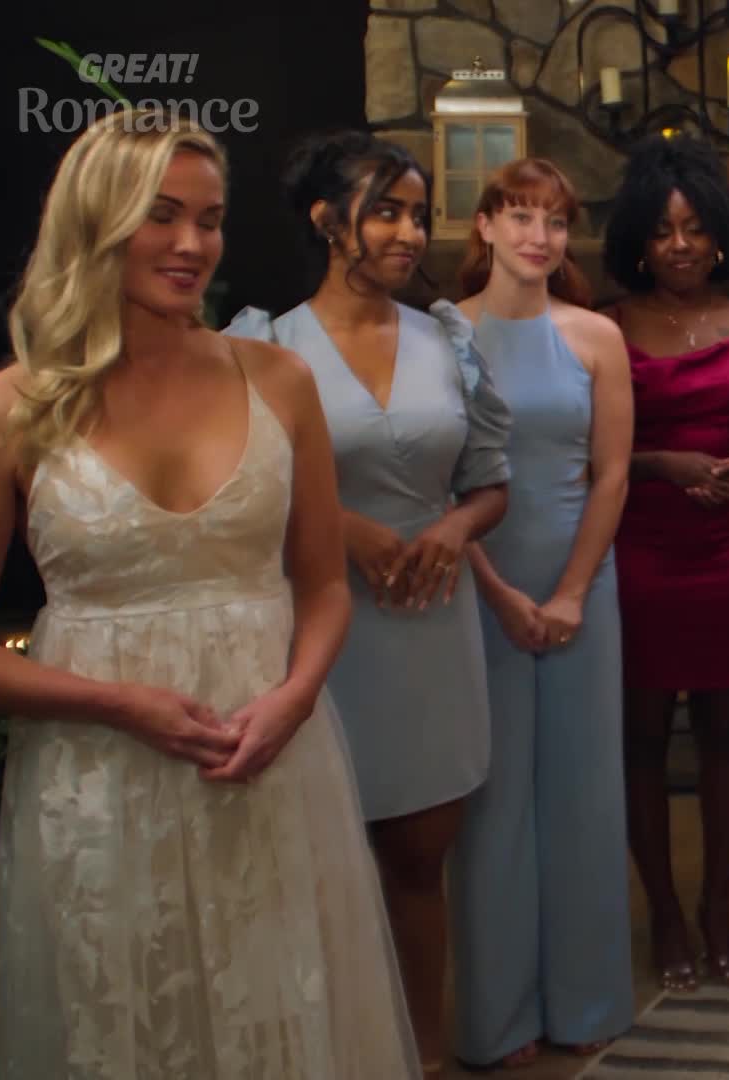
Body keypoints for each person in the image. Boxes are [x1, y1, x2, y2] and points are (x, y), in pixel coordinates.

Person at [0, 110, 419, 1077]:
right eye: (161, 215)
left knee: (283, 1010)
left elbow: (322, 585)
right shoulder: (4, 411)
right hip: (100, 779)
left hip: (269, 763)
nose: (192, 243)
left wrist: (295, 697)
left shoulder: (279, 382)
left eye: (210, 219)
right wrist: (118, 704)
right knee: (127, 1020)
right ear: (94, 220)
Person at [226, 130, 512, 1074]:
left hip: (432, 633)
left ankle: (422, 1056)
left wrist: (455, 528)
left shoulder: (448, 338)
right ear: (326, 220)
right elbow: (237, 494)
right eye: (386, 211)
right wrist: (342, 528)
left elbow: (492, 484)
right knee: (316, 872)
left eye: (419, 215)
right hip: (322, 636)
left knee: (421, 866)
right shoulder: (265, 347)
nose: (409, 233)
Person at [446, 158, 635, 1066]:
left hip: (580, 584)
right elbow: (438, 483)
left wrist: (569, 591)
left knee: (583, 793)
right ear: (484, 225)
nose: (538, 236)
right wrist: (496, 588)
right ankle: (499, 1018)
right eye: (520, 216)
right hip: (479, 584)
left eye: (555, 222)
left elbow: (614, 473)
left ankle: (588, 1002)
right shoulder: (439, 334)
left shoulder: (597, 336)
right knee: (491, 802)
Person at [602, 134, 729, 990]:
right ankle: (666, 913)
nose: (679, 245)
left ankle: (719, 906)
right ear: (638, 244)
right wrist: (663, 465)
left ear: (719, 235)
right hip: (640, 553)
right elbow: (590, 451)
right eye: (661, 231)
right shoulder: (608, 327)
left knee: (726, 733)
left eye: (693, 229)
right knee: (642, 740)